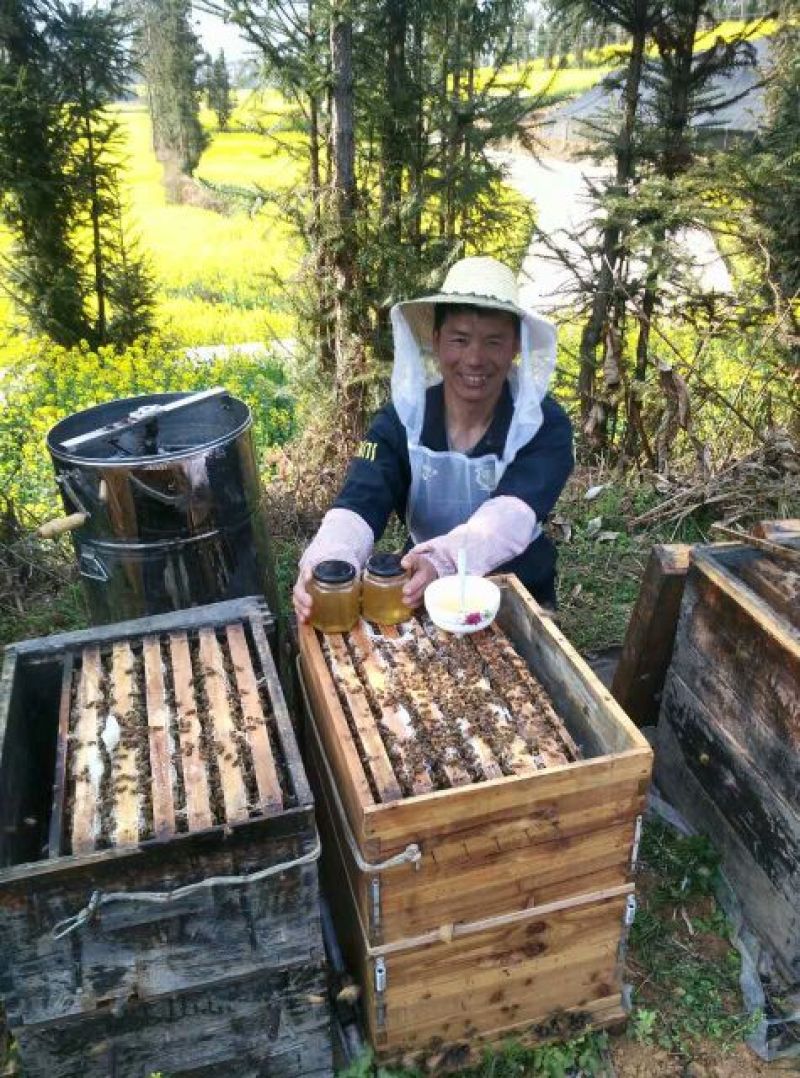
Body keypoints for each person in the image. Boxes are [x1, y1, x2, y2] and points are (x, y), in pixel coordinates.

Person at [293, 255, 574, 622]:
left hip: (515, 586)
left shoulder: (545, 424)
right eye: (460, 339)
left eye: (493, 342)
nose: (474, 359)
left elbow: (511, 516)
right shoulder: (398, 422)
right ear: (437, 341)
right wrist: (331, 556)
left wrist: (442, 561)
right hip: (423, 586)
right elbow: (361, 498)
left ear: (515, 348)